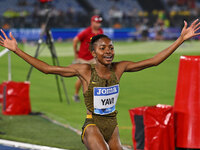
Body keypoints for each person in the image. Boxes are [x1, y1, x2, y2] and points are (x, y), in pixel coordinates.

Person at [0, 19, 200, 150]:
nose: (108, 51)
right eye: (102, 48)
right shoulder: (85, 71)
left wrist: (180, 39)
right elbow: (47, 69)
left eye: (111, 47)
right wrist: (17, 50)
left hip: (112, 126)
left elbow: (153, 61)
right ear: (93, 53)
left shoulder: (119, 68)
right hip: (93, 125)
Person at [73, 15, 103, 102]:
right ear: (92, 22)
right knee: (81, 78)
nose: (98, 25)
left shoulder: (100, 31)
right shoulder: (86, 32)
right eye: (96, 22)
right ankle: (76, 94)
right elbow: (75, 40)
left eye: (99, 23)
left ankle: (95, 95)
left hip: (93, 58)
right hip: (83, 59)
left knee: (97, 76)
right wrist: (76, 53)